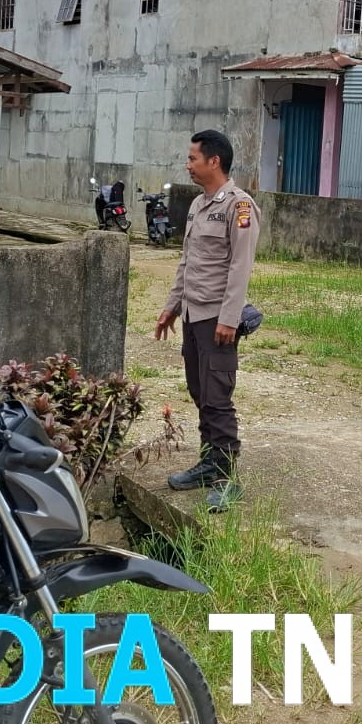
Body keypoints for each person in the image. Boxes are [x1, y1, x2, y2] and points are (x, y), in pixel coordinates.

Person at [155, 129, 261, 511]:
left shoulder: (240, 206)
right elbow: (188, 262)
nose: (188, 165)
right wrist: (171, 307)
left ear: (214, 161)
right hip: (193, 315)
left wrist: (230, 318)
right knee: (200, 392)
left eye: (193, 158)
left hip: (218, 319)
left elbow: (240, 266)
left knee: (217, 398)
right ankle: (208, 462)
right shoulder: (200, 205)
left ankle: (227, 478)